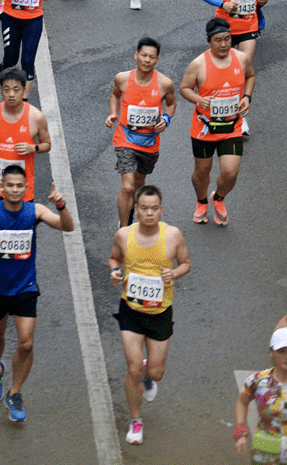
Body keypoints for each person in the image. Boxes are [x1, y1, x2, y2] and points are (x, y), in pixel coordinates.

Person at [0, 164, 74, 423]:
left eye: (19, 186)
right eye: (9, 185)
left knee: (26, 342)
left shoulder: (34, 210)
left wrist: (61, 205)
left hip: (26, 286)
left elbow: (66, 226)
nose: (14, 190)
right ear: (2, 187)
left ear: (26, 188)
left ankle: (15, 393)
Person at [107, 185, 190, 445]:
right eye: (144, 208)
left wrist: (174, 273)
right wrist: (115, 272)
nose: (150, 213)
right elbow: (114, 259)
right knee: (132, 368)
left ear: (161, 210)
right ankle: (135, 420)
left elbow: (186, 263)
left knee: (156, 373)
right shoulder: (123, 234)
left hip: (160, 312)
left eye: (155, 208)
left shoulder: (173, 235)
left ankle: (148, 375)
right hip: (130, 310)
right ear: (136, 209)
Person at [179, 16, 255, 225]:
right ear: (208, 41)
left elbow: (250, 76)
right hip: (204, 128)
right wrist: (199, 99)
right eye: (218, 40)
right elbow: (184, 88)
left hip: (232, 126)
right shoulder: (198, 64)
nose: (223, 44)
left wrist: (247, 97)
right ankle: (202, 201)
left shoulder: (241, 58)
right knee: (202, 172)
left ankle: (218, 198)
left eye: (227, 39)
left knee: (230, 173)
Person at [106, 38, 177, 226]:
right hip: (125, 138)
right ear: (136, 55)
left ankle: (131, 215)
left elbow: (171, 105)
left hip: (149, 143)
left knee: (138, 184)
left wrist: (166, 119)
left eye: (151, 57)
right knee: (128, 185)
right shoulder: (122, 78)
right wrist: (113, 113)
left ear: (157, 60)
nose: (147, 60)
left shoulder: (165, 83)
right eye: (144, 55)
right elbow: (115, 94)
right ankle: (124, 230)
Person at [234, 330, 287, 460]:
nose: (286, 356)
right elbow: (242, 402)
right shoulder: (257, 380)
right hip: (264, 455)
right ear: (271, 352)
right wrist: (240, 430)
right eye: (281, 351)